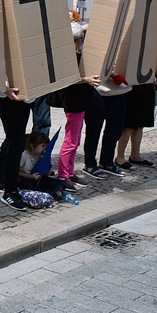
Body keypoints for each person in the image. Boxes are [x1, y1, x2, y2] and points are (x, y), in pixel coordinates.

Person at [58, 25, 100, 192]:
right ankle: (63, 175)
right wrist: (86, 79)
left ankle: (69, 171)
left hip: (80, 100)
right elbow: (68, 79)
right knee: (71, 140)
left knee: (74, 140)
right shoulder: (67, 57)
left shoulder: (77, 54)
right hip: (73, 101)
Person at [0, 81, 33, 211]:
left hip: (23, 97)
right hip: (7, 96)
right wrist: (4, 88)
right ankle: (10, 191)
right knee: (16, 142)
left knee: (12, 140)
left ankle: (1, 182)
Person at [115, 78, 157, 169]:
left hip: (146, 84)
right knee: (128, 125)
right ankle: (120, 157)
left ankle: (135, 155)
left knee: (140, 124)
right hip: (131, 85)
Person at [19, 131, 75, 203]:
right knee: (31, 185)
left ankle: (54, 191)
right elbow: (16, 171)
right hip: (26, 179)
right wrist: (30, 176)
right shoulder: (25, 155)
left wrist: (50, 165)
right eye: (43, 146)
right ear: (32, 146)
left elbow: (46, 174)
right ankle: (50, 192)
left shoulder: (42, 155)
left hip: (38, 179)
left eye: (46, 146)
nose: (45, 148)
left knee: (55, 182)